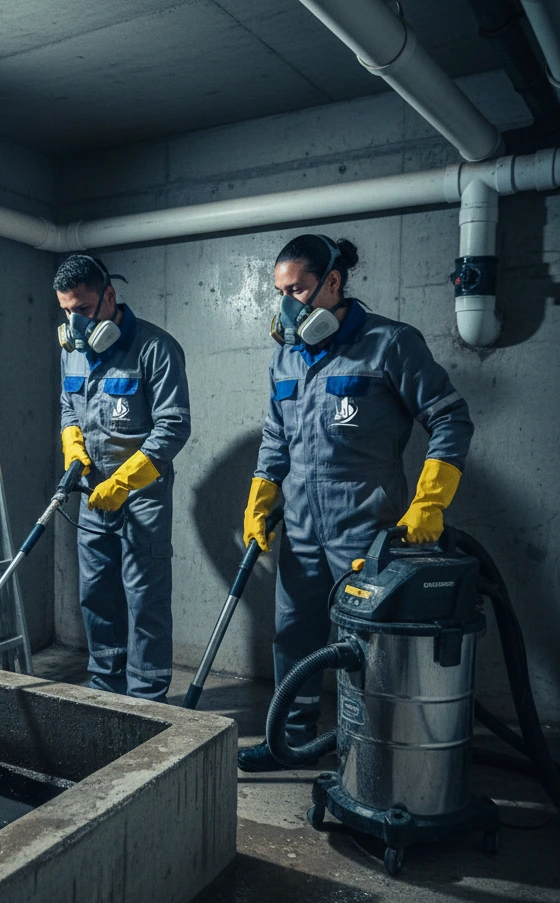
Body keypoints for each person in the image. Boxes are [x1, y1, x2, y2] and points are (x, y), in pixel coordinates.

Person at [238, 234, 474, 771]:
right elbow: (276, 437)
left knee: (368, 643)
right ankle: (289, 741)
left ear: (332, 282)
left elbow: (450, 418)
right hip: (301, 525)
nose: (287, 304)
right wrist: (262, 494)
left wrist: (430, 503)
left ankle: (369, 754)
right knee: (294, 635)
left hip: (368, 528)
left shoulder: (390, 344)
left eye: (297, 290)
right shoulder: (285, 357)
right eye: (280, 292)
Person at [55, 254, 191, 702]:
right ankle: (106, 691)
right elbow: (68, 406)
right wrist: (72, 444)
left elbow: (173, 426)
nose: (74, 324)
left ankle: (148, 698)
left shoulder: (156, 349)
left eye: (82, 309)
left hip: (143, 496)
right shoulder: (72, 352)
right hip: (92, 492)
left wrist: (124, 482)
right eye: (66, 312)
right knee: (96, 594)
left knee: (145, 599)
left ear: (109, 296)